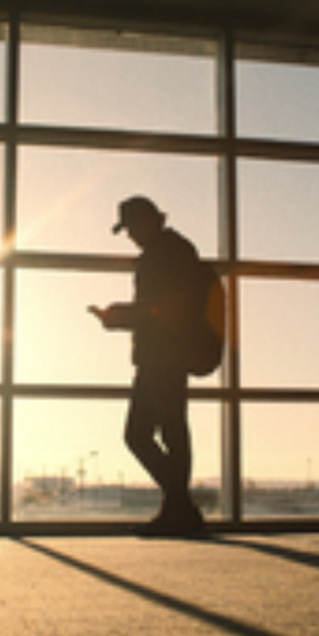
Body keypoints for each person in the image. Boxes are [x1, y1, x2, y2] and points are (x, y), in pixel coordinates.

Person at [89, 195, 205, 536]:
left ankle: (181, 508)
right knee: (166, 432)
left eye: (131, 228)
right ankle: (180, 509)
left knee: (146, 434)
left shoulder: (165, 255)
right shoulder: (173, 251)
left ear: (148, 221)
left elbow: (161, 311)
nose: (130, 236)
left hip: (163, 357)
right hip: (163, 357)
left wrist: (116, 317)